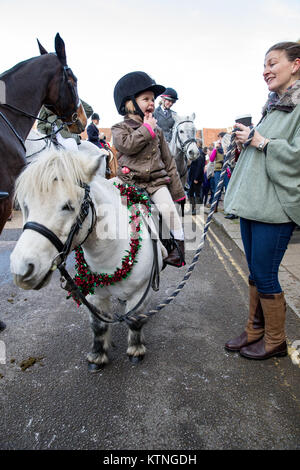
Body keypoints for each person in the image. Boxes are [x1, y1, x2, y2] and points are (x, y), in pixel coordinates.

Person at [224, 41, 300, 360]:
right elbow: (264, 148)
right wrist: (248, 142)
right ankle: (255, 330)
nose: (265, 70)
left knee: (265, 273)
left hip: (276, 207)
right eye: (264, 65)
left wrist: (261, 140)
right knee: (255, 271)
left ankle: (276, 339)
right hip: (255, 203)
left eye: (272, 63)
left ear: (296, 64)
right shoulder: (274, 105)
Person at [112, 71, 186, 267]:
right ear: (129, 103)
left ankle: (179, 248)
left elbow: (169, 162)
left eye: (153, 99)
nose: (152, 102)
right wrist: (147, 129)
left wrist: (178, 193)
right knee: (105, 200)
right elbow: (127, 145)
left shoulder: (159, 131)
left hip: (155, 183)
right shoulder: (119, 129)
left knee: (169, 211)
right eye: (146, 99)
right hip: (128, 181)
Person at [187, 139, 205, 214]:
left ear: (198, 144)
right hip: (193, 177)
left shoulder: (200, 153)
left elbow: (199, 167)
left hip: (196, 178)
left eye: (195, 143)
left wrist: (196, 178)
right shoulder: (197, 152)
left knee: (196, 193)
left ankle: (197, 210)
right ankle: (192, 209)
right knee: (190, 193)